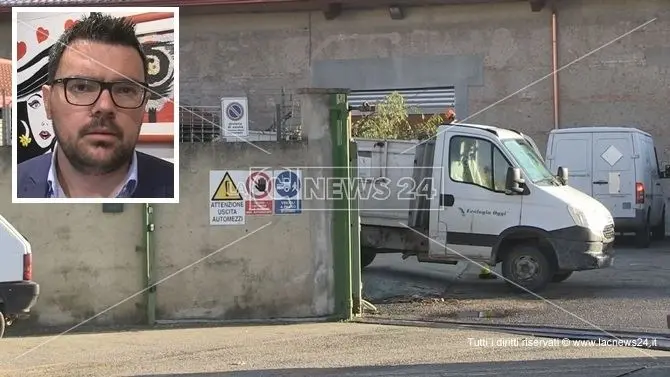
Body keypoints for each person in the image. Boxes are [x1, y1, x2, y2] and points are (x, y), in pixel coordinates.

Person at [16, 12, 174, 199]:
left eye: (125, 90)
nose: (105, 106)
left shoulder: (181, 185)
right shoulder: (12, 183)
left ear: (144, 103)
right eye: (81, 87)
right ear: (48, 102)